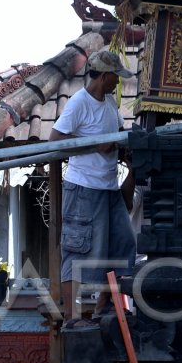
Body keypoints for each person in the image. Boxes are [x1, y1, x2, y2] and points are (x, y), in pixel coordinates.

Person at [50, 48, 137, 329]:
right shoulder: (79, 103)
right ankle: (71, 317)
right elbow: (55, 140)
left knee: (123, 245)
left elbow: (117, 135)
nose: (117, 82)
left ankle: (104, 308)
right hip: (83, 188)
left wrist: (122, 151)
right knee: (77, 249)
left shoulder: (110, 104)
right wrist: (94, 144)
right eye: (115, 77)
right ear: (105, 75)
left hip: (109, 187)